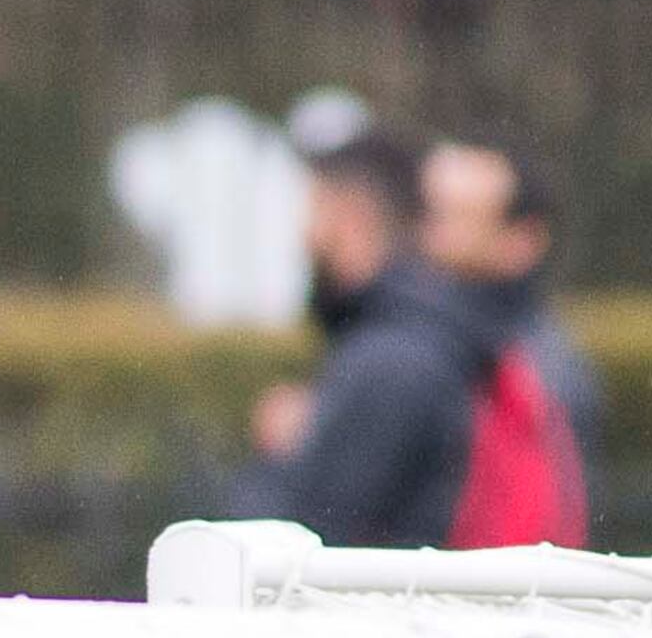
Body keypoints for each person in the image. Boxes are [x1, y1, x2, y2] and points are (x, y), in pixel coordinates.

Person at [232, 128, 516, 547]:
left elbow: (296, 542)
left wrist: (286, 453)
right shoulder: (414, 333)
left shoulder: (393, 358)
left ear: (351, 214)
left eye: (313, 207)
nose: (303, 232)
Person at [420, 139, 599, 538]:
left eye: (458, 215)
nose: (429, 233)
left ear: (523, 240)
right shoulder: (419, 336)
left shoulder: (537, 372)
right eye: (427, 211)